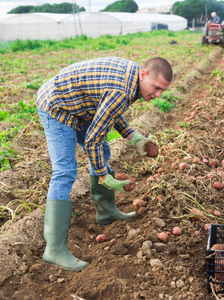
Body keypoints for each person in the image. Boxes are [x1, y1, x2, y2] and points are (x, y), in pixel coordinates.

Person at [36, 56, 173, 271]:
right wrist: (105, 177)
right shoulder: (122, 90)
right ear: (144, 74)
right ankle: (54, 249)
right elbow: (92, 140)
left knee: (104, 149)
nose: (158, 95)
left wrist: (135, 138)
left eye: (162, 91)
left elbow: (110, 112)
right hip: (57, 106)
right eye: (156, 88)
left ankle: (106, 211)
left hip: (79, 106)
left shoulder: (133, 80)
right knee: (65, 171)